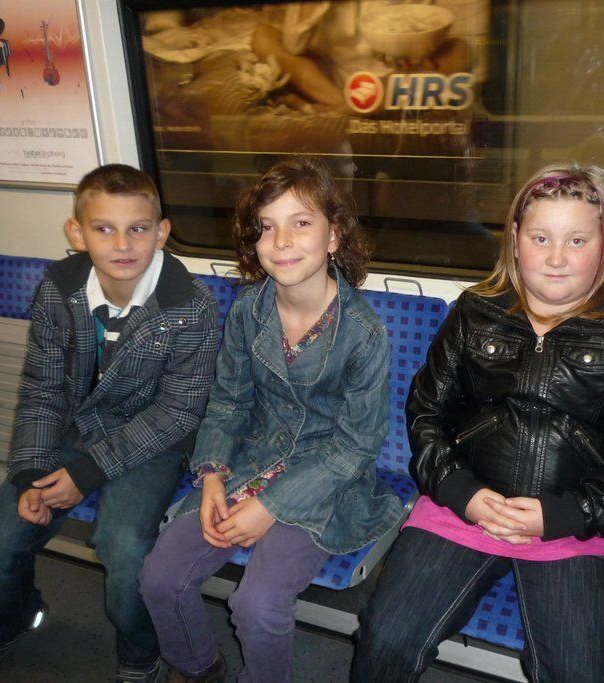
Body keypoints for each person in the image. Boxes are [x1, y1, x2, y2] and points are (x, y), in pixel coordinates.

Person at [352, 164, 604, 682]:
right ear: (515, 240)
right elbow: (428, 412)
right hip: (464, 504)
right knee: (385, 640)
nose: (556, 257)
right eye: (540, 238)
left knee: (578, 673)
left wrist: (565, 513)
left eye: (577, 240)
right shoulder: (475, 311)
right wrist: (462, 492)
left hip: (575, 521)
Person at [0, 165, 220, 683]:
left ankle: (140, 657)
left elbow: (180, 410)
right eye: (103, 228)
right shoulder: (59, 290)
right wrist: (31, 474)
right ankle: (10, 623)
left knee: (125, 547)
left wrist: (88, 473)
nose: (122, 244)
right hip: (75, 432)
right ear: (77, 233)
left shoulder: (190, 305)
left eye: (138, 228)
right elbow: (43, 388)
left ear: (162, 233)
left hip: (154, 441)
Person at [138, 156, 403, 683]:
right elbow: (228, 404)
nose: (281, 241)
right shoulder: (248, 310)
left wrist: (271, 507)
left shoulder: (362, 332)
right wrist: (212, 476)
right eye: (266, 226)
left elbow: (355, 446)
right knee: (159, 579)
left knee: (257, 606)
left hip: (328, 483)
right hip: (251, 461)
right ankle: (197, 666)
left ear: (333, 236)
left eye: (300, 222)